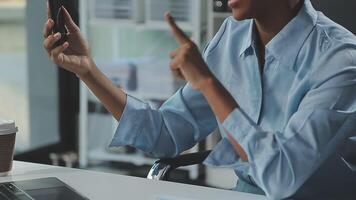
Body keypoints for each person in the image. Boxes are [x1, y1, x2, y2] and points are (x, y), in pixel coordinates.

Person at [43, 0, 356, 199]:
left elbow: (281, 176)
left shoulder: (341, 59)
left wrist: (207, 82)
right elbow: (167, 135)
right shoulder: (232, 35)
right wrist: (88, 71)